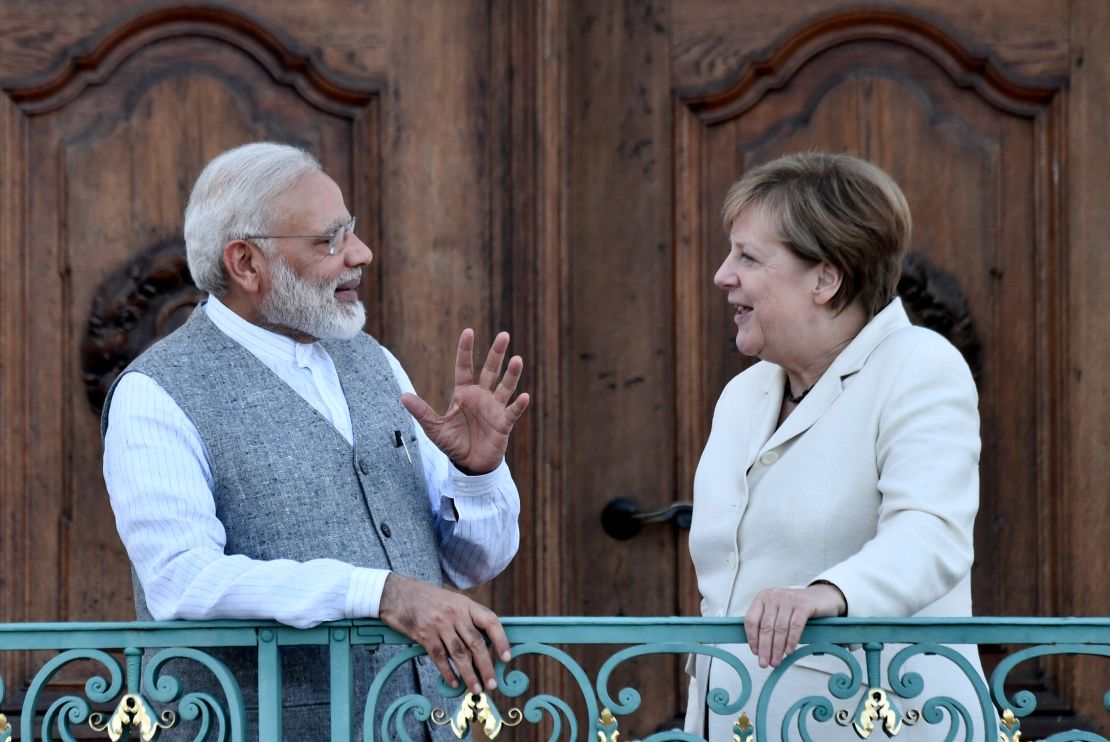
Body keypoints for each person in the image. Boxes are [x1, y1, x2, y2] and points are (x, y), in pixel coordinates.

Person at [101, 142, 529, 739]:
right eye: (328, 240)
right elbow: (181, 579)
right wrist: (375, 592)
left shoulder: (373, 361)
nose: (361, 253)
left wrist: (477, 475)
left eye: (349, 230)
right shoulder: (157, 391)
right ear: (246, 263)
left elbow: (470, 563)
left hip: (421, 723)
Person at [683, 152, 992, 740]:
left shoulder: (919, 366)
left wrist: (829, 593)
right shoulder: (744, 395)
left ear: (826, 279)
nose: (723, 275)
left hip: (879, 721)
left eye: (748, 257)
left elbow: (931, 534)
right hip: (739, 721)